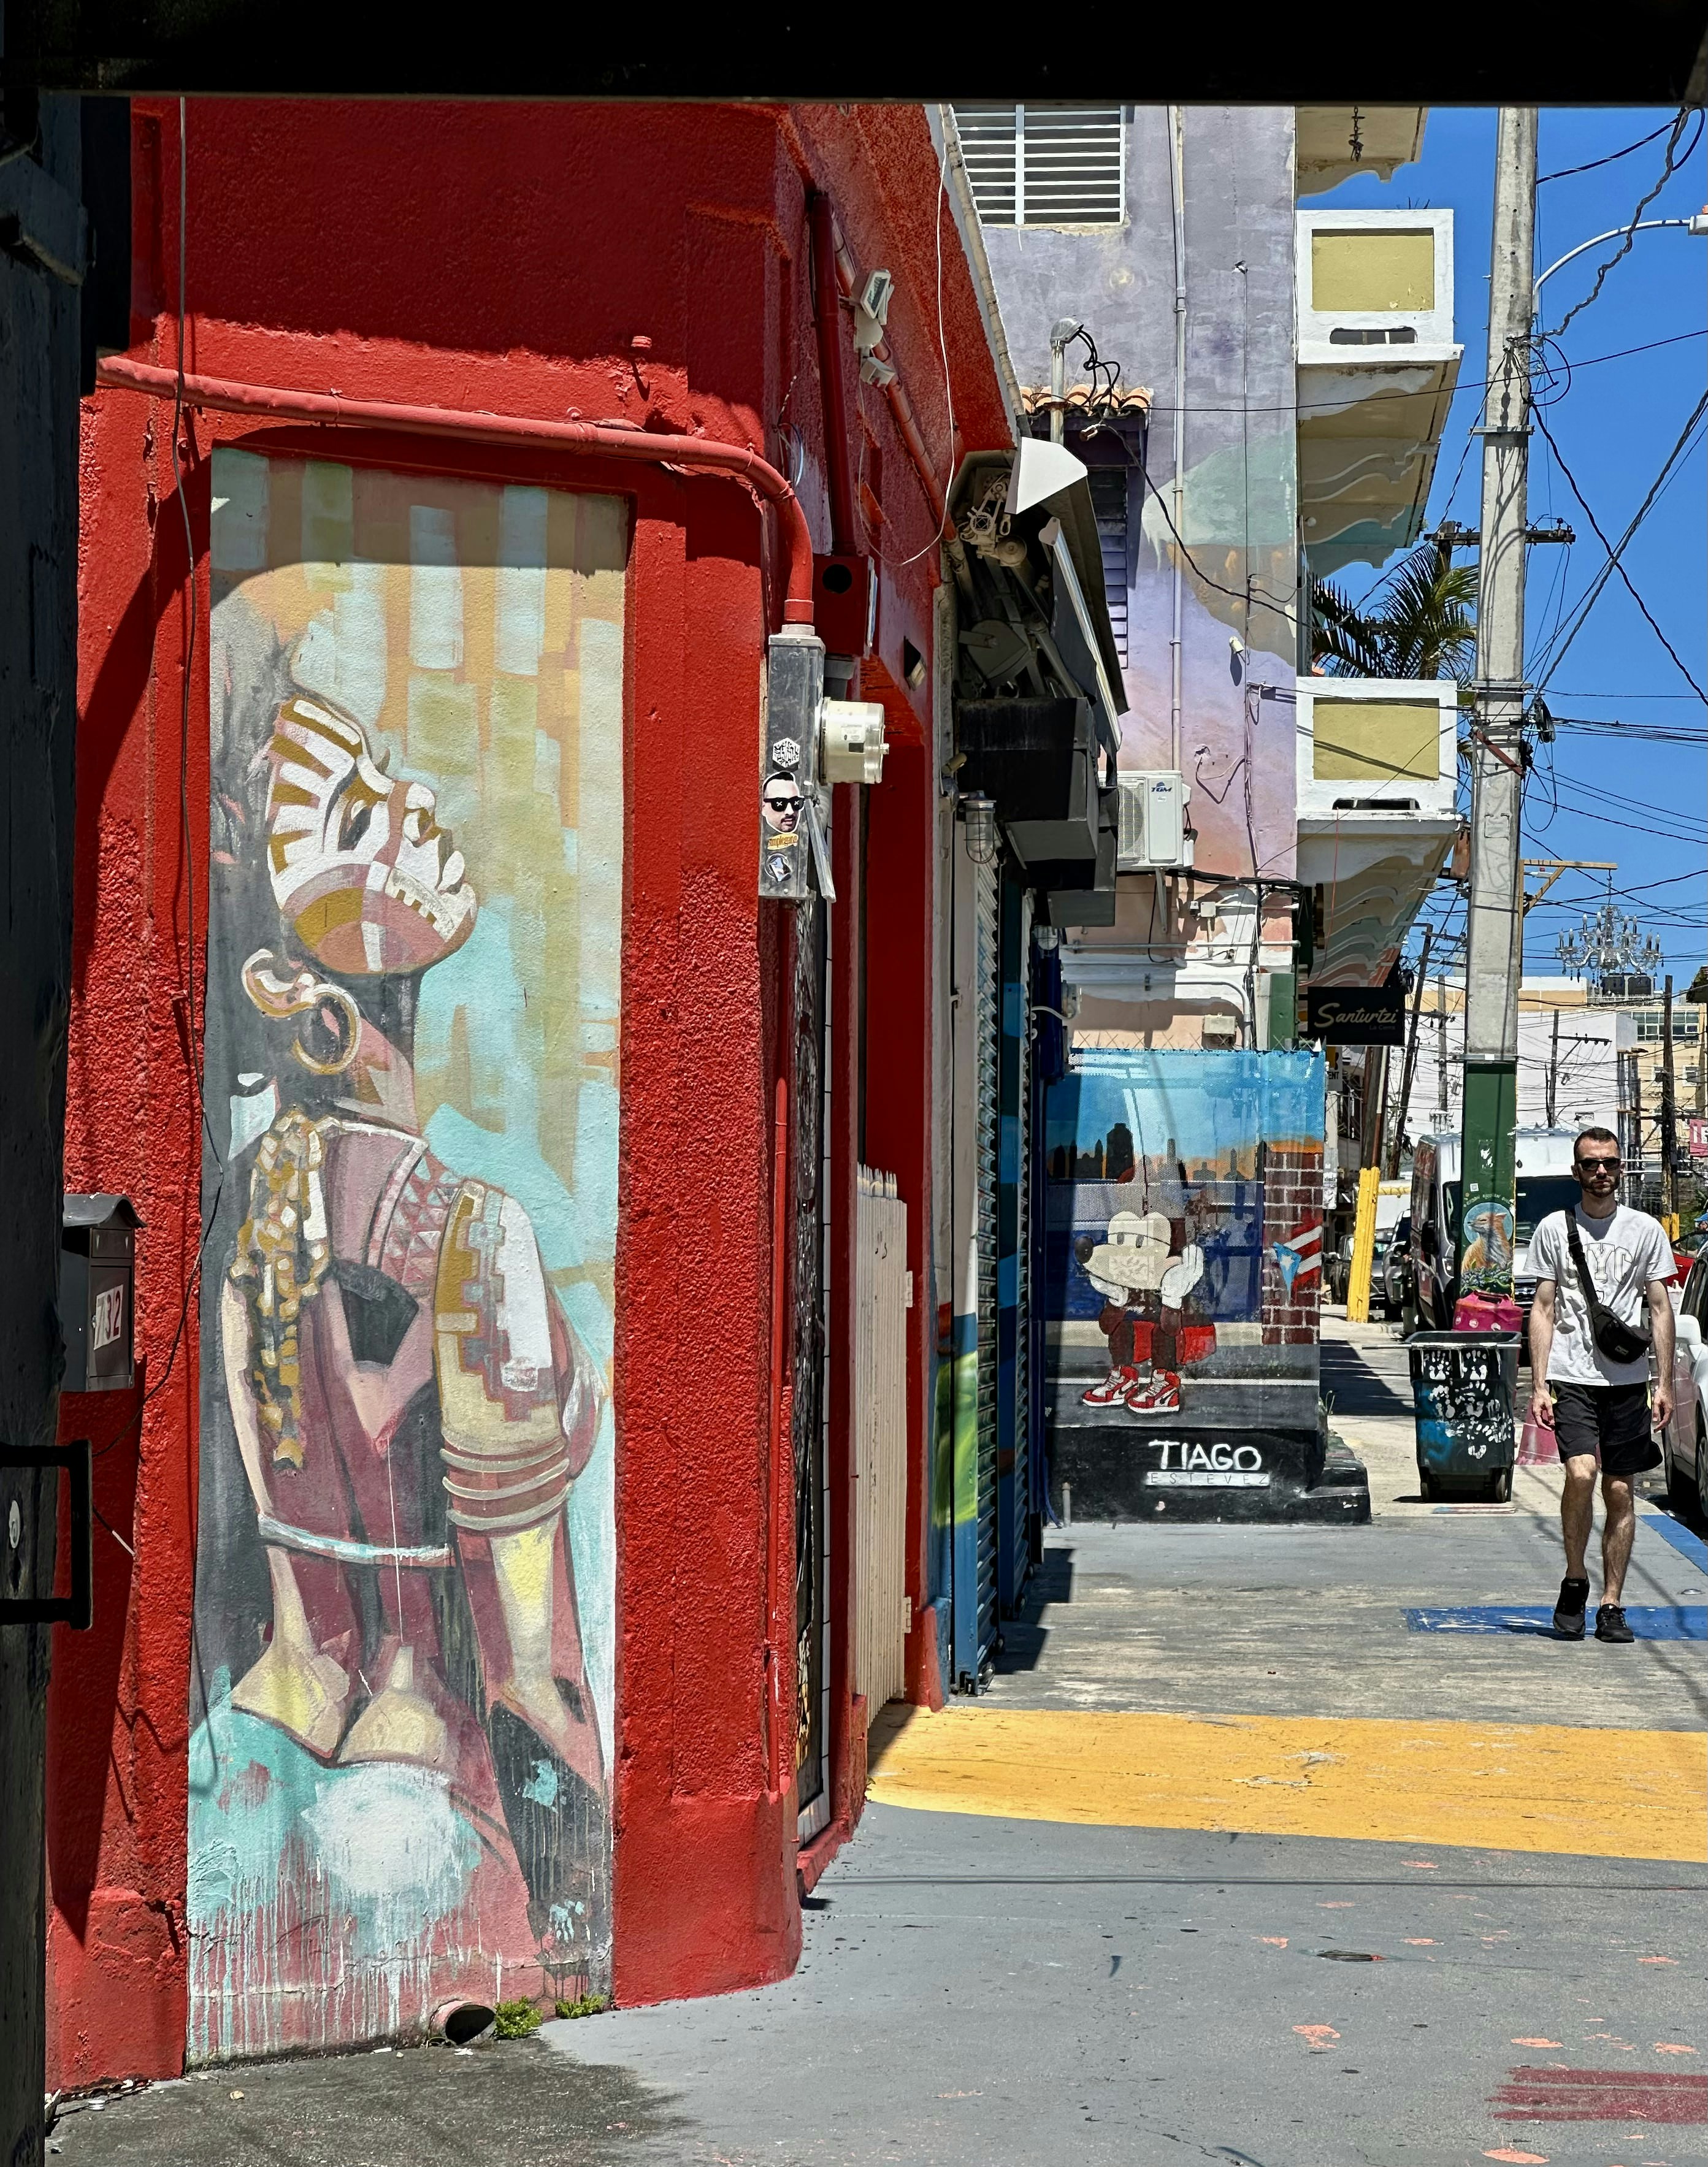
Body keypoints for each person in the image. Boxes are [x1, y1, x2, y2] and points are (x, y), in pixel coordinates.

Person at [1526, 1126, 1674, 1644]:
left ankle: (1611, 1603)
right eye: (1590, 1164)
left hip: (1628, 1381)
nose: (1600, 1173)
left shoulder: (1644, 1230)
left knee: (1618, 1489)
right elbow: (1542, 1308)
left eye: (1609, 1163)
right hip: (1572, 1376)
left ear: (1621, 1169)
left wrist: (1663, 1382)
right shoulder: (1552, 1228)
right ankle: (1574, 1577)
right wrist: (1539, 1384)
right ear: (1576, 1172)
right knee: (1581, 1473)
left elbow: (1659, 1308)